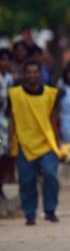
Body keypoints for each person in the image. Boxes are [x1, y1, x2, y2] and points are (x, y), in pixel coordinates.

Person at [7, 61, 64, 225]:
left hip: (47, 141)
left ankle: (50, 210)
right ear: (25, 74)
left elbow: (53, 119)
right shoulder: (15, 94)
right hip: (25, 142)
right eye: (29, 72)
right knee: (26, 180)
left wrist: (58, 141)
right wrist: (11, 141)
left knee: (50, 174)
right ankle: (30, 214)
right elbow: (12, 119)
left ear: (40, 74)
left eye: (35, 72)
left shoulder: (50, 93)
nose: (32, 75)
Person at [0, 48, 14, 199]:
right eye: (2, 59)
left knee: (5, 155)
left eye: (7, 59)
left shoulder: (9, 79)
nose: (4, 63)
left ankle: (1, 185)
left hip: (5, 121)